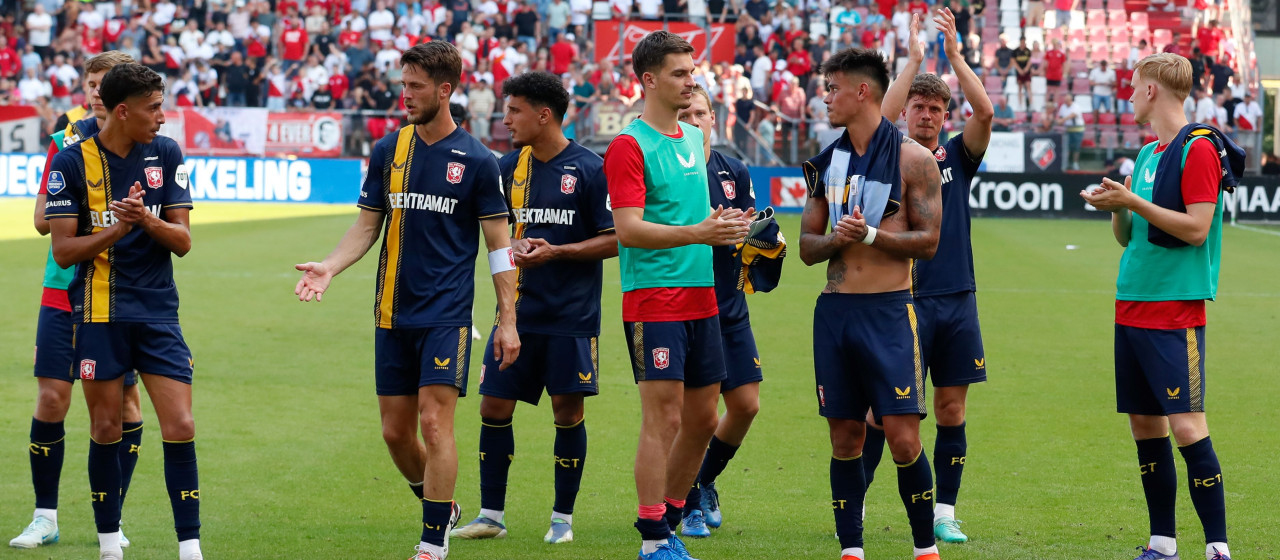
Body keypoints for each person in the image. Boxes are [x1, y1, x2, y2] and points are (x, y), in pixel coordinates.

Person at [293, 41, 519, 560]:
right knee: (396, 434)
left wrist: (507, 322)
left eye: (416, 86)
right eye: (403, 84)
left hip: (446, 315)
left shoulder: (480, 162)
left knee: (434, 422)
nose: (405, 95)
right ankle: (440, 506)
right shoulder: (388, 150)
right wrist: (330, 266)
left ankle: (432, 542)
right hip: (391, 312)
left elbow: (500, 250)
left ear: (445, 89)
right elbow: (367, 225)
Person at [1080, 52, 1241, 560]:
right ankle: (1162, 543)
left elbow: (1195, 229)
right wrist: (1116, 203)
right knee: (1144, 427)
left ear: (1152, 90)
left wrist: (1132, 202)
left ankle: (1217, 548)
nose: (1127, 95)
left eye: (1133, 86)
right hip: (1130, 306)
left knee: (1188, 426)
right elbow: (1130, 237)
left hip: (1175, 311)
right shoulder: (1149, 154)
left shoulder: (1197, 150)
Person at [449, 71, 616, 545]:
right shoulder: (506, 169)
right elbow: (492, 233)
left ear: (544, 115)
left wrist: (558, 251)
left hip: (571, 318)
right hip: (516, 314)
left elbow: (615, 239)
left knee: (567, 411)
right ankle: (491, 516)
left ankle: (561, 520)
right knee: (493, 405)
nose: (506, 120)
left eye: (515, 111)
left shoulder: (589, 168)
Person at [601, 30, 750, 560]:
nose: (692, 81)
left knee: (704, 419)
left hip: (702, 294)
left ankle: (669, 512)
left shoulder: (695, 140)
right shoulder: (627, 146)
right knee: (662, 418)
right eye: (680, 73)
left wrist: (724, 225)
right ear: (648, 80)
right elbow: (629, 231)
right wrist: (699, 233)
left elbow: (694, 219)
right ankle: (653, 539)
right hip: (653, 296)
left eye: (693, 72)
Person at [44, 62, 202, 560]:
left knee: (180, 426)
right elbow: (64, 251)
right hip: (97, 312)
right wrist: (118, 228)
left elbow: (183, 241)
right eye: (153, 108)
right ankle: (110, 546)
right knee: (106, 428)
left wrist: (145, 219)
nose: (161, 116)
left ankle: (190, 548)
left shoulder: (167, 152)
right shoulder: (72, 162)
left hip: (157, 312)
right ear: (122, 111)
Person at [799, 43, 943, 560]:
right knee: (845, 439)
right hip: (836, 313)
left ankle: (925, 547)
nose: (826, 100)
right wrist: (841, 239)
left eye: (833, 89)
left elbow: (928, 242)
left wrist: (869, 238)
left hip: (889, 312)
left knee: (904, 439)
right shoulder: (824, 163)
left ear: (862, 92)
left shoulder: (915, 159)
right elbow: (807, 250)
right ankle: (851, 549)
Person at [10, 50, 147, 552]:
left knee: (124, 406)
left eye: (104, 82)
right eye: (91, 82)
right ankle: (45, 516)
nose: (95, 91)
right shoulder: (65, 140)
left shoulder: (142, 146)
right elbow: (42, 219)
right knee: (52, 398)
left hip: (118, 293)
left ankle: (113, 514)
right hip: (62, 287)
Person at [864, 6, 992, 545]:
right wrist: (914, 58)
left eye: (937, 109)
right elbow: (873, 120)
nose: (928, 115)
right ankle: (860, 500)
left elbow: (984, 114)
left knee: (951, 407)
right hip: (904, 299)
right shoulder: (891, 153)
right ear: (906, 111)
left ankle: (944, 511)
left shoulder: (957, 156)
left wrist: (958, 59)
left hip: (957, 298)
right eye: (919, 106)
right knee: (882, 413)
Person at [671, 83, 763, 538]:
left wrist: (762, 240)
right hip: (684, 307)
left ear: (714, 120)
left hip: (730, 305)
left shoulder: (734, 171)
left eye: (700, 115)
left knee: (745, 406)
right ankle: (685, 503)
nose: (693, 123)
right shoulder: (670, 169)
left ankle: (703, 480)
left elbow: (746, 230)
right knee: (695, 415)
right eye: (684, 115)